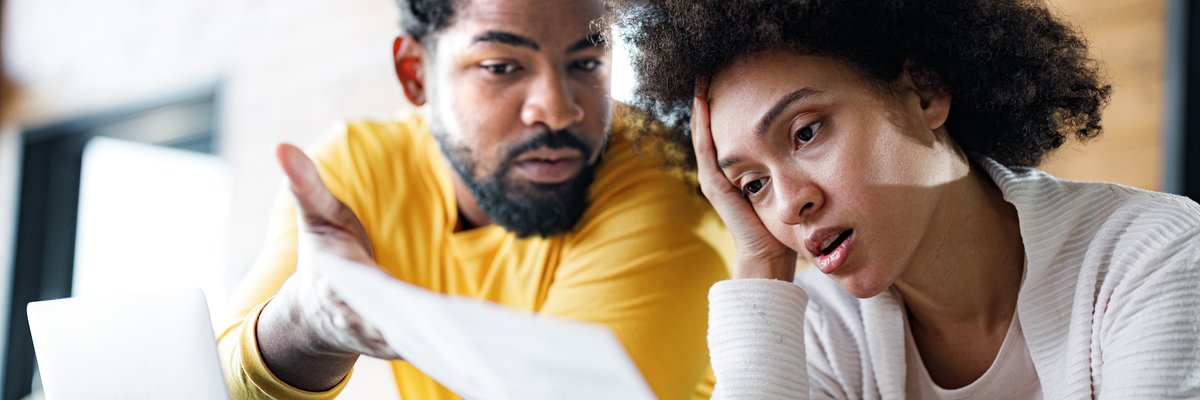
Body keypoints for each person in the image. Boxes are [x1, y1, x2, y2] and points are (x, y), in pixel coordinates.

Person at [612, 0, 1200, 398]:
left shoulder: (1153, 256)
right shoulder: (826, 330)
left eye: (807, 132)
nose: (789, 204)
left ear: (924, 93)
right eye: (752, 184)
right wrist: (761, 264)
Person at [217, 0, 732, 399]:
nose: (556, 110)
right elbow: (213, 384)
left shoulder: (665, 183)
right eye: (501, 67)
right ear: (416, 73)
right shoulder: (356, 168)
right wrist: (309, 322)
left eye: (586, 62)